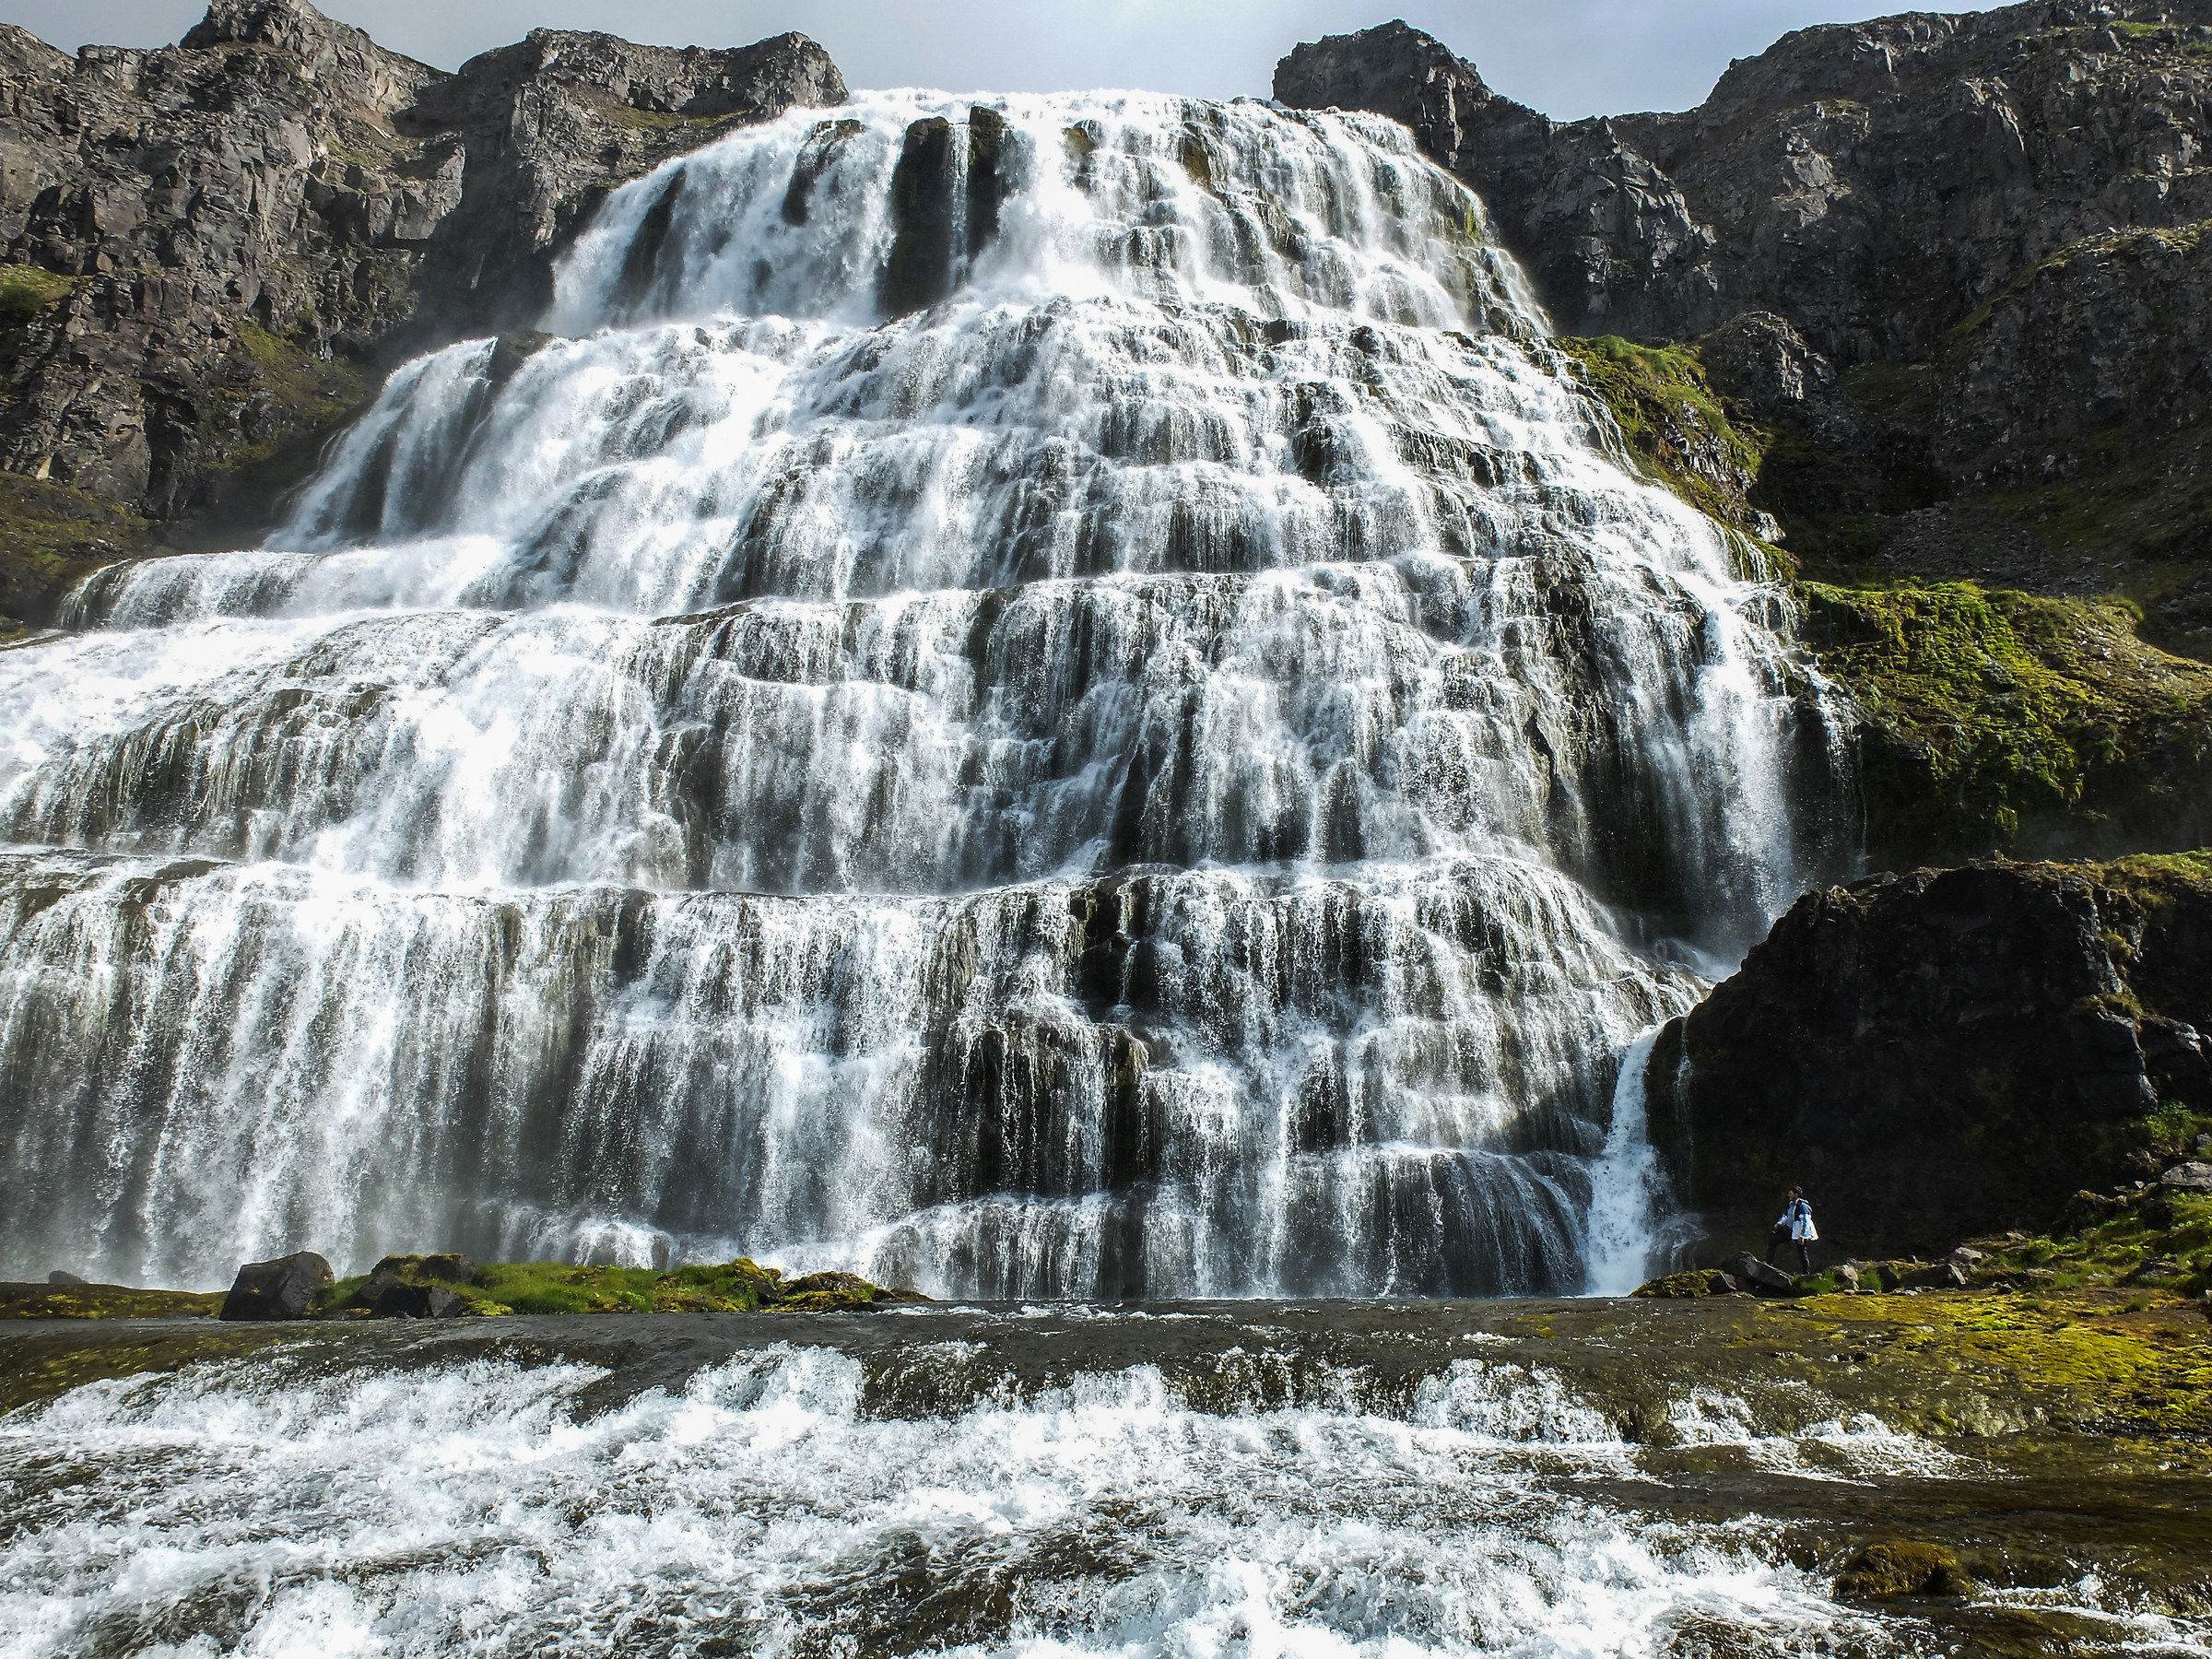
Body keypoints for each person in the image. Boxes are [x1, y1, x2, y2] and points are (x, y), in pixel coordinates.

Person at [1766, 1187, 1817, 1275]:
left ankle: (1806, 1274)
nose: (1788, 1195)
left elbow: (1806, 1222)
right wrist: (1779, 1223)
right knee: (1773, 1240)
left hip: (1799, 1233)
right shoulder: (1790, 1205)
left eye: (1790, 1193)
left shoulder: (1803, 1206)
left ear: (1796, 1194)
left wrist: (1803, 1235)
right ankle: (1769, 1263)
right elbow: (1785, 1216)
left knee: (1802, 1252)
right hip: (1790, 1230)